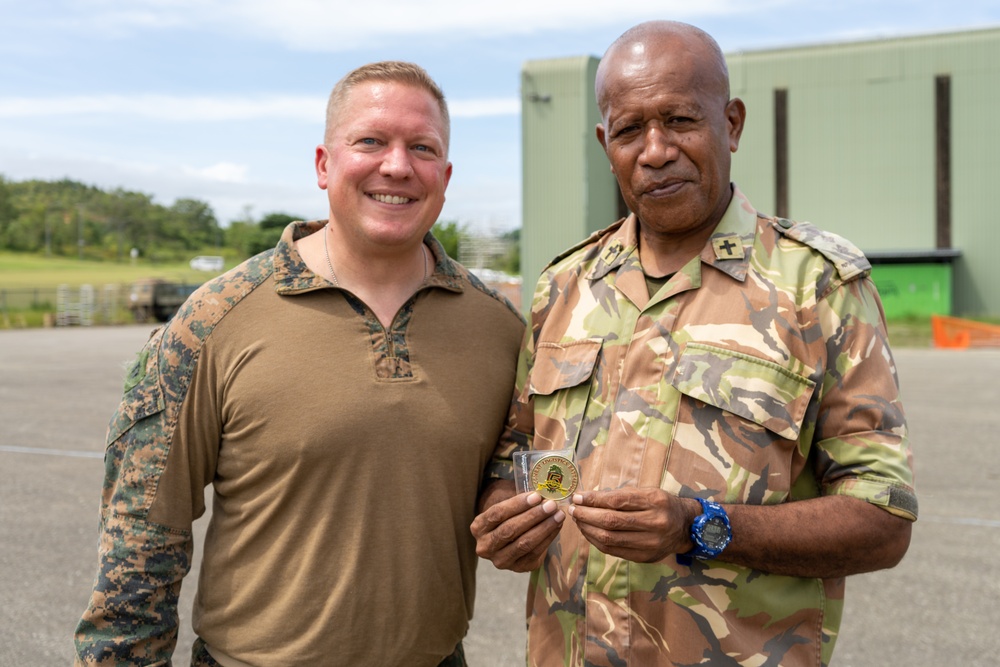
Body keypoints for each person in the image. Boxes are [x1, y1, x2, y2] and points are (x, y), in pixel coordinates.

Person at [471, 20, 917, 667]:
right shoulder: (562, 287)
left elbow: (883, 519)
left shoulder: (816, 286)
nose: (655, 151)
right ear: (606, 143)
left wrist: (700, 525)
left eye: (680, 120)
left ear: (730, 124)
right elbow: (512, 452)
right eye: (629, 130)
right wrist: (504, 517)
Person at [75, 61, 525, 667]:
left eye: (422, 147)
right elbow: (142, 539)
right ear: (323, 163)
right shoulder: (213, 320)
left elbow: (517, 475)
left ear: (445, 176)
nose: (397, 165)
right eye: (370, 141)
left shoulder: (500, 329)